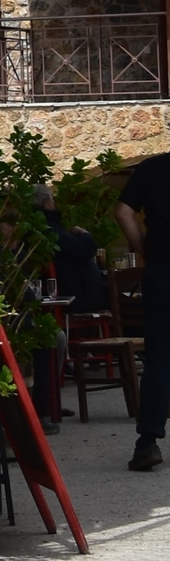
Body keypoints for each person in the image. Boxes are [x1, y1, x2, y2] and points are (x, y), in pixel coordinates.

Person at [113, 152, 170, 469]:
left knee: (159, 357)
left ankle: (147, 441)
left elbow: (123, 212)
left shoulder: (152, 168)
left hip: (163, 270)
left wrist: (144, 249)